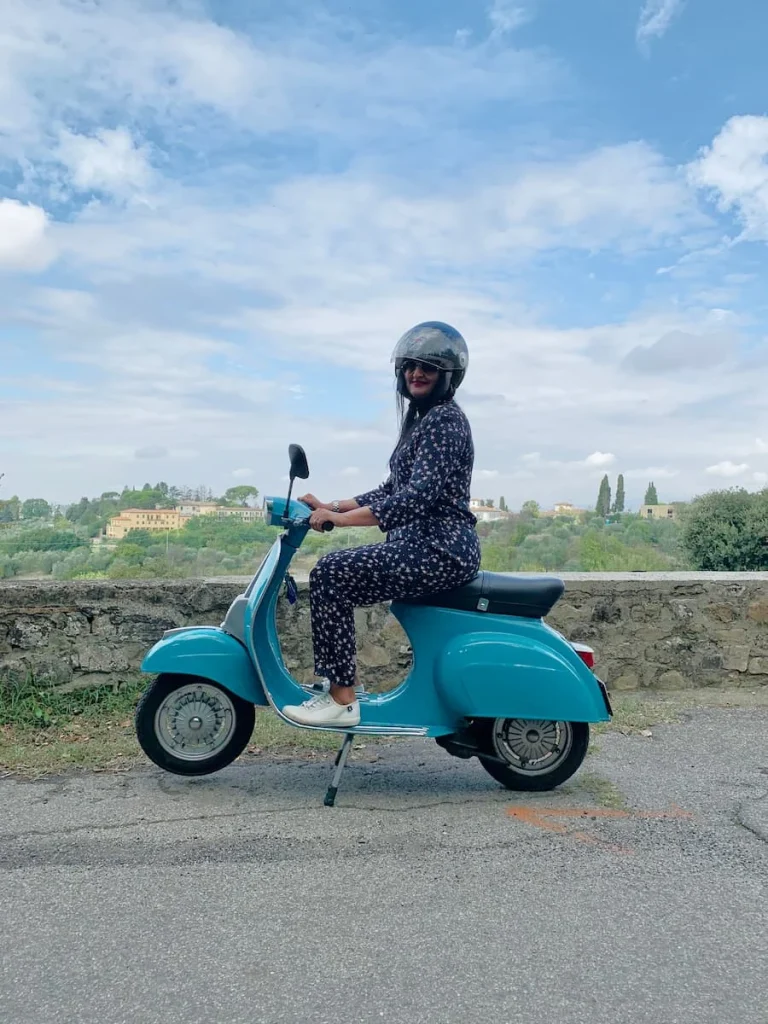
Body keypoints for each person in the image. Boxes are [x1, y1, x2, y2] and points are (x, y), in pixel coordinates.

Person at [283, 321, 481, 727]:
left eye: (428, 367)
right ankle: (343, 688)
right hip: (422, 545)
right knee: (334, 575)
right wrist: (330, 505)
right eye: (410, 365)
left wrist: (339, 520)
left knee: (332, 573)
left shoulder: (444, 421)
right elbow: (390, 489)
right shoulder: (423, 419)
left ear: (448, 375)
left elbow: (414, 499)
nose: (416, 373)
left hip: (439, 549)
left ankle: (342, 700)